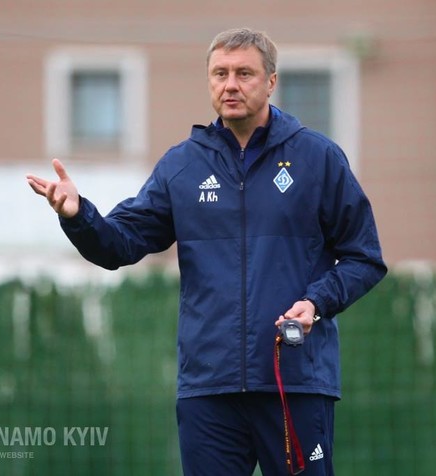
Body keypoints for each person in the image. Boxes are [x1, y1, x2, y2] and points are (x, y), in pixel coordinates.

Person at [28, 27, 386, 476]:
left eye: (244, 74)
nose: (230, 85)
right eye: (220, 73)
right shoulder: (182, 165)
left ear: (271, 82)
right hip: (209, 390)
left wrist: (317, 301)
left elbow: (364, 257)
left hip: (293, 381)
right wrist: (79, 214)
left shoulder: (318, 159)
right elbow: (119, 244)